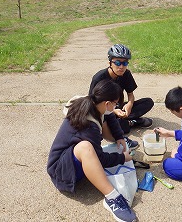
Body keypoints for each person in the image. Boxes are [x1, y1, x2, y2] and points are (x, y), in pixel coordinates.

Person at [47, 79, 137, 222]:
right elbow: (101, 160)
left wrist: (119, 137)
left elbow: (110, 115)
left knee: (102, 129)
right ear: (107, 103)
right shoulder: (89, 126)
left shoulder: (92, 102)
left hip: (68, 157)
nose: (116, 106)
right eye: (115, 103)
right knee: (86, 148)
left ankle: (121, 143)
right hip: (61, 172)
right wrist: (122, 158)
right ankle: (113, 198)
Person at [89, 44, 154, 146]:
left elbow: (130, 94)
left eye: (125, 63)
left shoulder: (126, 74)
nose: (121, 67)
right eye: (118, 62)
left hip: (118, 105)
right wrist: (113, 110)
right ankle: (131, 122)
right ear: (110, 62)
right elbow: (92, 103)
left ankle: (126, 120)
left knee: (148, 102)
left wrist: (129, 105)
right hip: (104, 110)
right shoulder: (99, 78)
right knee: (105, 126)